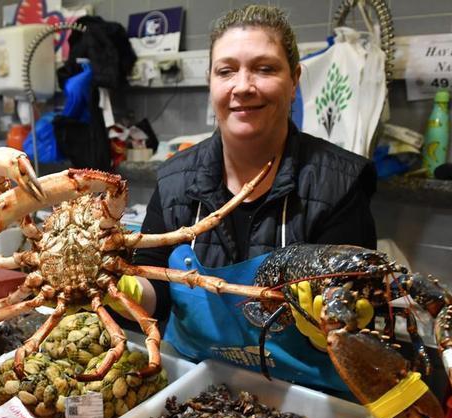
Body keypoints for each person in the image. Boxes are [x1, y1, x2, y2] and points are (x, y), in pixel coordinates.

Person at [125, 4, 377, 394]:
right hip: (191, 385)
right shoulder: (175, 180)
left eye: (264, 68)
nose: (242, 86)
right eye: (226, 71)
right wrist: (121, 288)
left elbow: (355, 313)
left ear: (294, 80)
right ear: (211, 83)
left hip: (304, 397)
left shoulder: (337, 184)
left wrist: (328, 324)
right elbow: (153, 292)